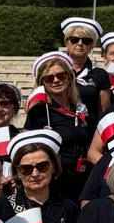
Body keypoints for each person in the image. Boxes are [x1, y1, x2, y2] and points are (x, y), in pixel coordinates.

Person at [22, 51, 92, 202]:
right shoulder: (39, 112)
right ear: (42, 83)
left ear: (69, 77)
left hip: (83, 181)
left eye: (61, 75)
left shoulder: (80, 107)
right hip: (56, 183)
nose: (56, 80)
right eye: (49, 78)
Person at [57, 16, 112, 119]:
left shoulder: (99, 74)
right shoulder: (54, 70)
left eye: (86, 41)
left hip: (89, 127)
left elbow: (104, 111)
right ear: (66, 42)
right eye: (74, 40)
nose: (80, 44)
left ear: (92, 46)